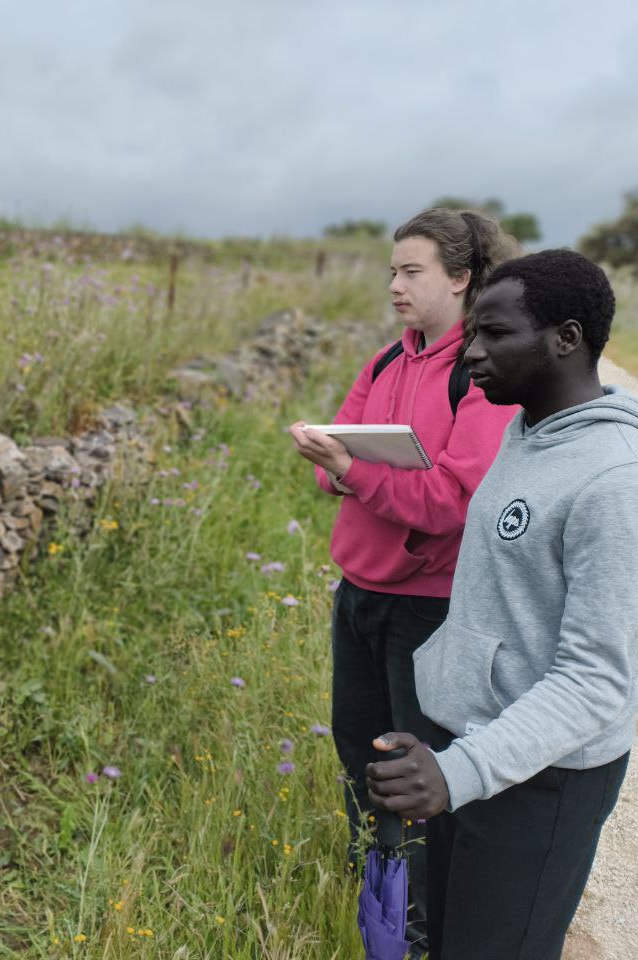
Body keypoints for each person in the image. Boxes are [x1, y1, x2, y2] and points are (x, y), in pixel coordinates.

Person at [367, 250, 636, 959]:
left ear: (566, 339)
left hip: (542, 782)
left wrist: (459, 771)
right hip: (478, 748)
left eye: (495, 334)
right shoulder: (527, 433)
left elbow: (596, 681)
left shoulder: (614, 483)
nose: (472, 353)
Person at [287, 208, 520, 954]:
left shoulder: (478, 376)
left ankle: (417, 929)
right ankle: (375, 890)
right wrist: (345, 470)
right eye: (392, 270)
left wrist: (353, 471)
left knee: (413, 771)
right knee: (358, 749)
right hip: (357, 592)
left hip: (427, 608)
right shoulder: (389, 360)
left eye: (410, 271)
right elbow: (341, 459)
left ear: (460, 277)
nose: (394, 285)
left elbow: (453, 500)